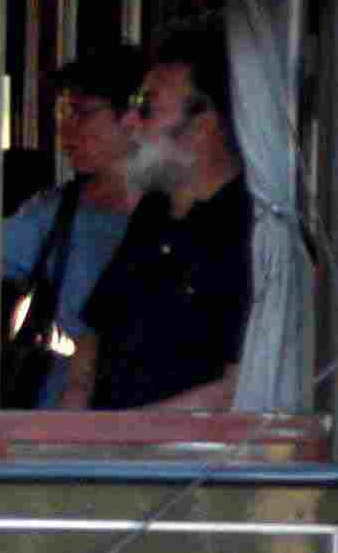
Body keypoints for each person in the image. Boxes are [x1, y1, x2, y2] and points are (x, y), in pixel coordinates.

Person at [65, 37, 253, 416]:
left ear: (202, 125)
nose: (130, 123)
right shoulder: (154, 211)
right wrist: (73, 411)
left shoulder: (254, 233)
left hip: (188, 467)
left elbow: (238, 389)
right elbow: (93, 332)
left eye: (145, 109)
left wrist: (121, 436)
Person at [0, 44, 143, 410]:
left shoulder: (182, 215)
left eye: (81, 114)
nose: (65, 129)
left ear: (131, 117)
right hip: (63, 404)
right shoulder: (54, 213)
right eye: (62, 113)